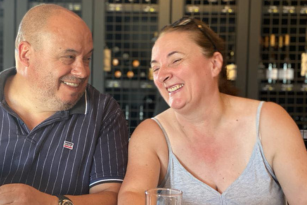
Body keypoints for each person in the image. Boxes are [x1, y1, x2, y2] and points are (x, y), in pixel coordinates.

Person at [0, 4, 129, 205]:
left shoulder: (103, 112)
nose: (83, 71)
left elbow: (111, 198)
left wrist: (49, 202)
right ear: (26, 55)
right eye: (69, 57)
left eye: (86, 58)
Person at [118, 16, 307, 205]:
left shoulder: (269, 122)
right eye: (156, 68)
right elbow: (132, 195)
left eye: (175, 60)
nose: (162, 76)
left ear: (214, 64)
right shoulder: (151, 134)